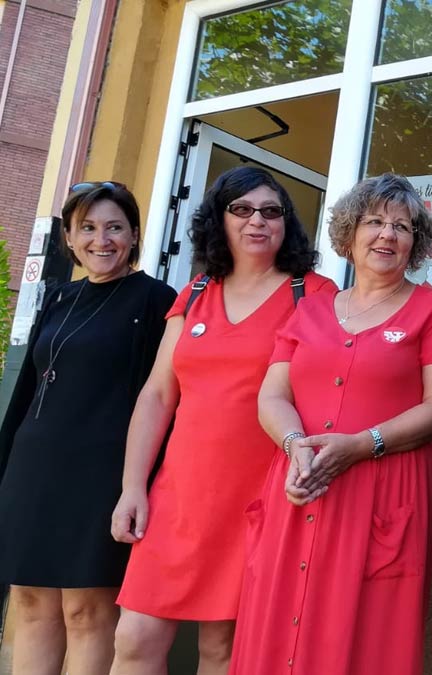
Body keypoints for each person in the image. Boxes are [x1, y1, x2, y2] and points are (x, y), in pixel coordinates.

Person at [227, 174, 432, 674]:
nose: (387, 234)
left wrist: (364, 444)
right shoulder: (310, 309)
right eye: (375, 221)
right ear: (349, 233)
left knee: (367, 635)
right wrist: (296, 445)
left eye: (402, 226)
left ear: (416, 242)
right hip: (300, 484)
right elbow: (272, 394)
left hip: (383, 491)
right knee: (277, 626)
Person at [109, 166, 335, 674]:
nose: (258, 221)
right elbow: (158, 394)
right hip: (178, 497)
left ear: (287, 222)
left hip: (261, 499)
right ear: (219, 219)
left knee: (224, 652)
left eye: (271, 211)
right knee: (134, 640)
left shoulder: (314, 294)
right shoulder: (195, 291)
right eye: (242, 210)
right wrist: (132, 487)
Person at [0, 182, 175, 675]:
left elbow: (161, 399)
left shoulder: (157, 300)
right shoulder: (59, 297)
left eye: (115, 227)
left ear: (134, 235)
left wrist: (139, 486)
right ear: (72, 241)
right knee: (31, 603)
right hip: (32, 470)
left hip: (101, 477)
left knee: (87, 612)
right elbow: (28, 391)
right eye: (89, 229)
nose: (102, 240)